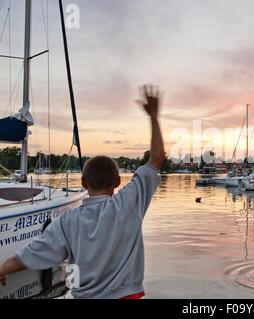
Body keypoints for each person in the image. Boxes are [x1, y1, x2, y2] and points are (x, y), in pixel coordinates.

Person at [0, 85, 165, 299]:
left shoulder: (67, 221)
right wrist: (153, 116)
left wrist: (3, 269)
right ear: (117, 182)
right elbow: (157, 158)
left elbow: (27, 257)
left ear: (83, 182)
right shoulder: (128, 204)